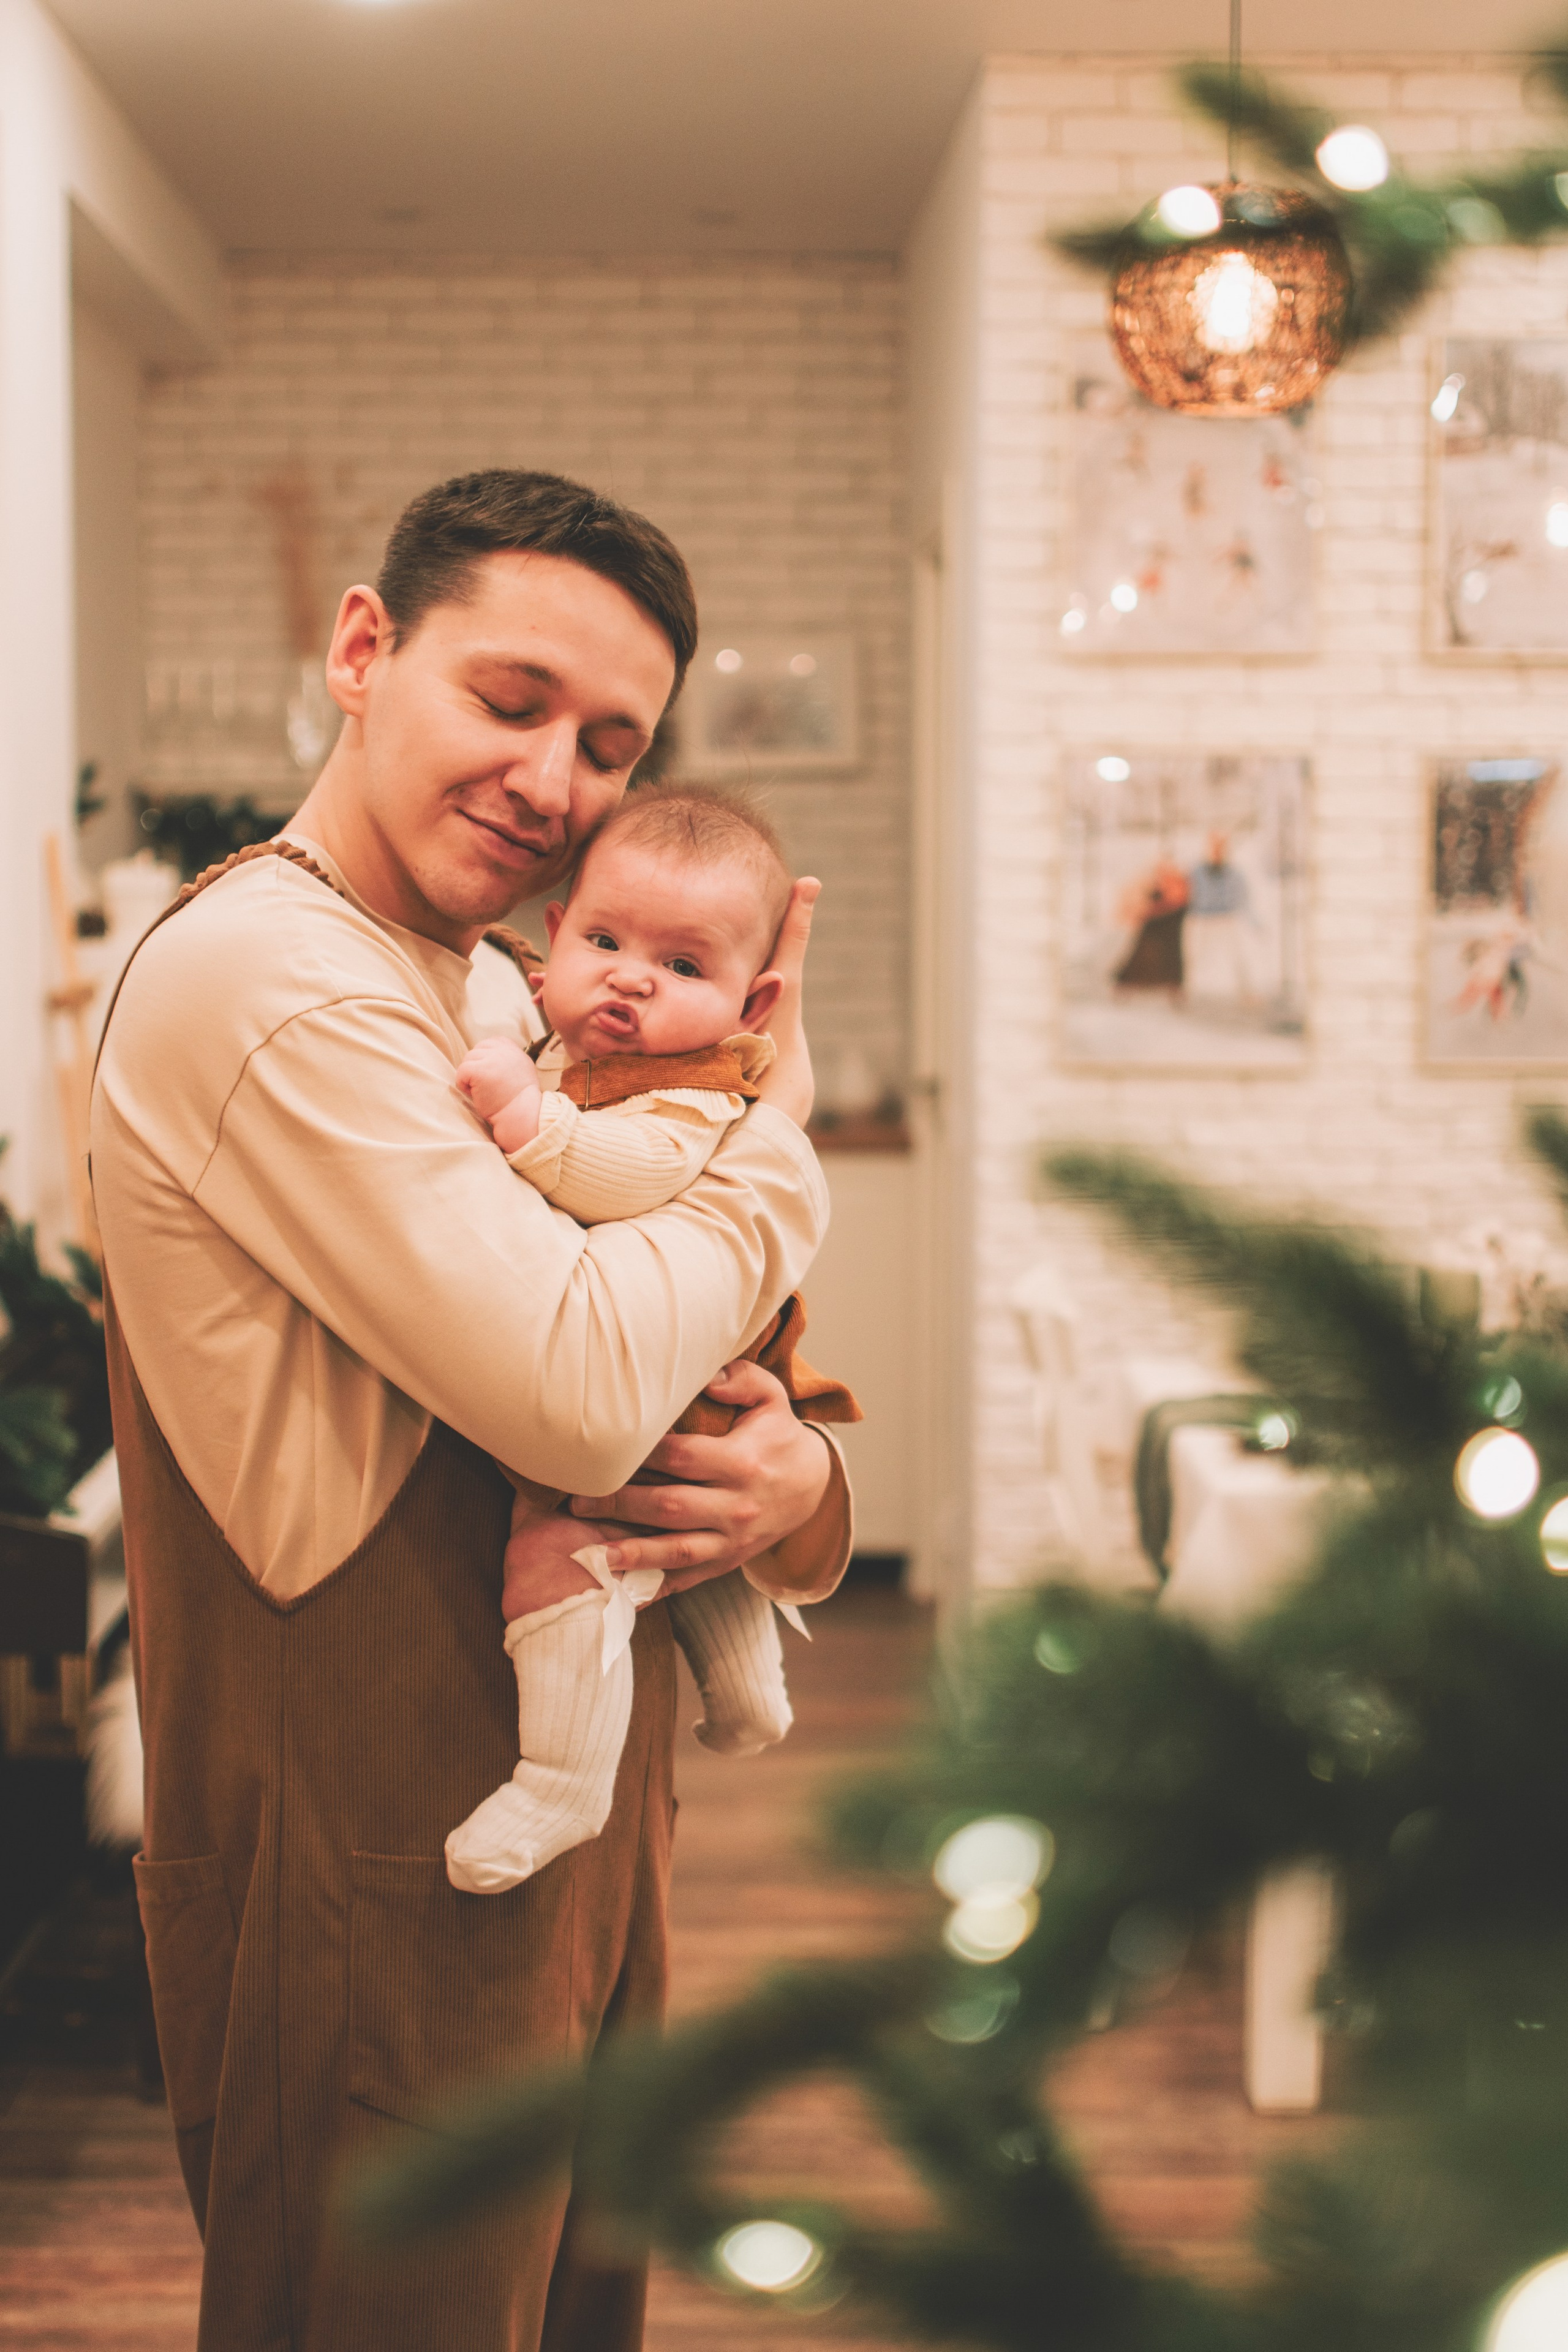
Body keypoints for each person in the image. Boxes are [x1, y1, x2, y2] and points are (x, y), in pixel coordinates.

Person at [89, 469, 852, 2352]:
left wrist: (799, 1486)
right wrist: (776, 1139)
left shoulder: (509, 988)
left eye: (610, 745)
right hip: (368, 1860)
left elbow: (747, 1379)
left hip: (566, 1831)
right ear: (364, 649)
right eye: (511, 702)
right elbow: (588, 1395)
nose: (554, 781)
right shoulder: (278, 978)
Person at [444, 778, 860, 1895]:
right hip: (678, 1375)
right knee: (687, 1545)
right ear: (553, 940)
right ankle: (749, 1692)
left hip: (680, 1380)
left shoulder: (697, 1086)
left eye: (682, 965)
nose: (632, 978)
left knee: (569, 1558)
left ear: (749, 1006)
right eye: (606, 941)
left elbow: (636, 1177)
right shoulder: (558, 1050)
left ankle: (563, 1781)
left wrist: (526, 1120)